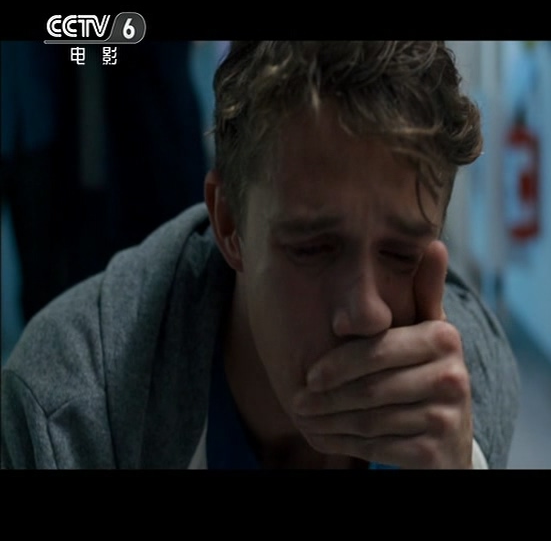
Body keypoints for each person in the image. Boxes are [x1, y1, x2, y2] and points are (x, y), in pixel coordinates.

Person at [1, 41, 520, 469]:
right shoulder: (66, 413)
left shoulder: (463, 392)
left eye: (402, 254)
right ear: (229, 225)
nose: (366, 312)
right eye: (313, 248)